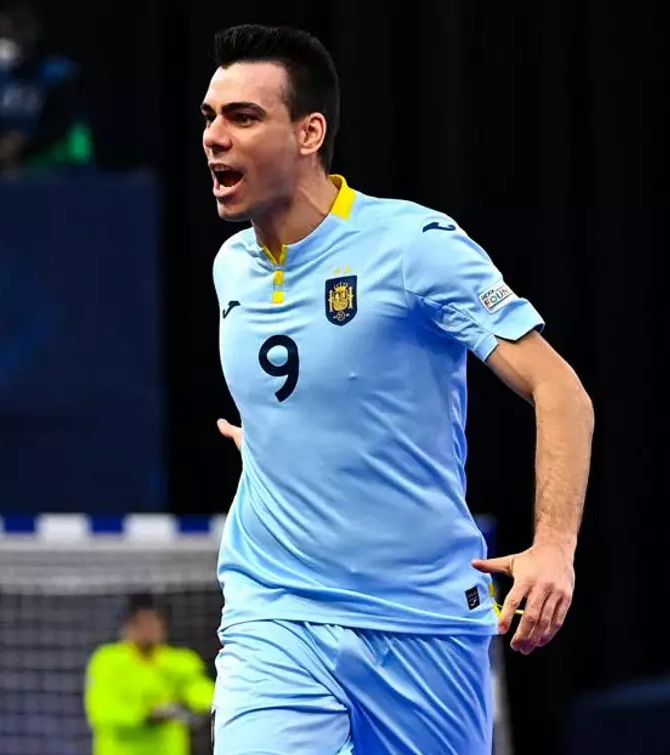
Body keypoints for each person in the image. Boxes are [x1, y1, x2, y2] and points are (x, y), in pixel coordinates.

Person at [202, 24, 594, 755]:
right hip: (276, 609)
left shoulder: (413, 246)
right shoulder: (231, 267)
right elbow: (312, 394)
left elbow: (561, 389)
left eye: (243, 117)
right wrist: (277, 443)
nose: (215, 137)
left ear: (309, 131)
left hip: (421, 617)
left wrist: (555, 548)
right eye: (210, 117)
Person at [84, 593, 216, 755]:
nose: (150, 629)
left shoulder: (181, 661)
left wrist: (209, 704)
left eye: (155, 622)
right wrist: (147, 716)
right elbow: (103, 711)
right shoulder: (106, 661)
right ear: (128, 626)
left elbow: (198, 689)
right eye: (143, 623)